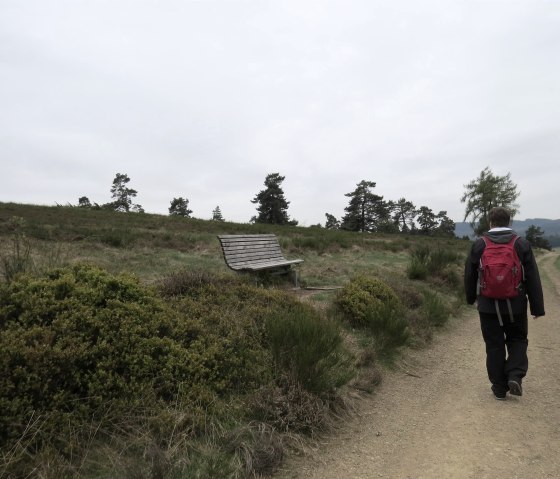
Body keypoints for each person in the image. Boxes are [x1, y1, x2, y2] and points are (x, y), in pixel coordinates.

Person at [464, 207, 545, 400]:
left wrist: (471, 298)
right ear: (509, 222)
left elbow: (469, 274)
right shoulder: (521, 244)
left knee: (494, 345)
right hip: (515, 305)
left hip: (488, 306)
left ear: (489, 222)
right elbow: (532, 277)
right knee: (517, 339)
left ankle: (499, 388)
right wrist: (537, 307)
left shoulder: (479, 244)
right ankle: (515, 375)